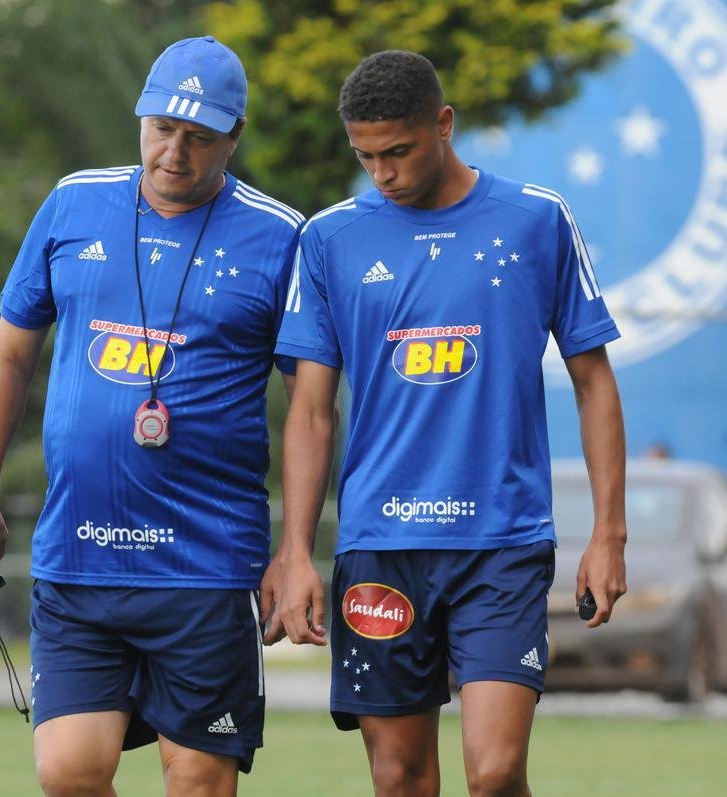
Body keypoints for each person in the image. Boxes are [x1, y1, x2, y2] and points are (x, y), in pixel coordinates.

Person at [266, 51, 628, 797]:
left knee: (494, 773)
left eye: (397, 151)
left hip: (502, 540)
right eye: (365, 157)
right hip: (380, 546)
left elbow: (594, 383)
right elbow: (311, 410)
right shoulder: (329, 239)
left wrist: (608, 533)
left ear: (444, 124)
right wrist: (296, 552)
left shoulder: (536, 219)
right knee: (399, 777)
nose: (383, 173)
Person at [0, 35, 303, 797]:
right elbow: (7, 357)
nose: (174, 152)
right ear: (141, 117)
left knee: (198, 782)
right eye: (161, 128)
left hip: (206, 566)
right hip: (80, 557)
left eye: (198, 136)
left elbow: (312, 404)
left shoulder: (279, 236)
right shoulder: (74, 203)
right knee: (69, 771)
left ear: (234, 138)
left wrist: (296, 549)